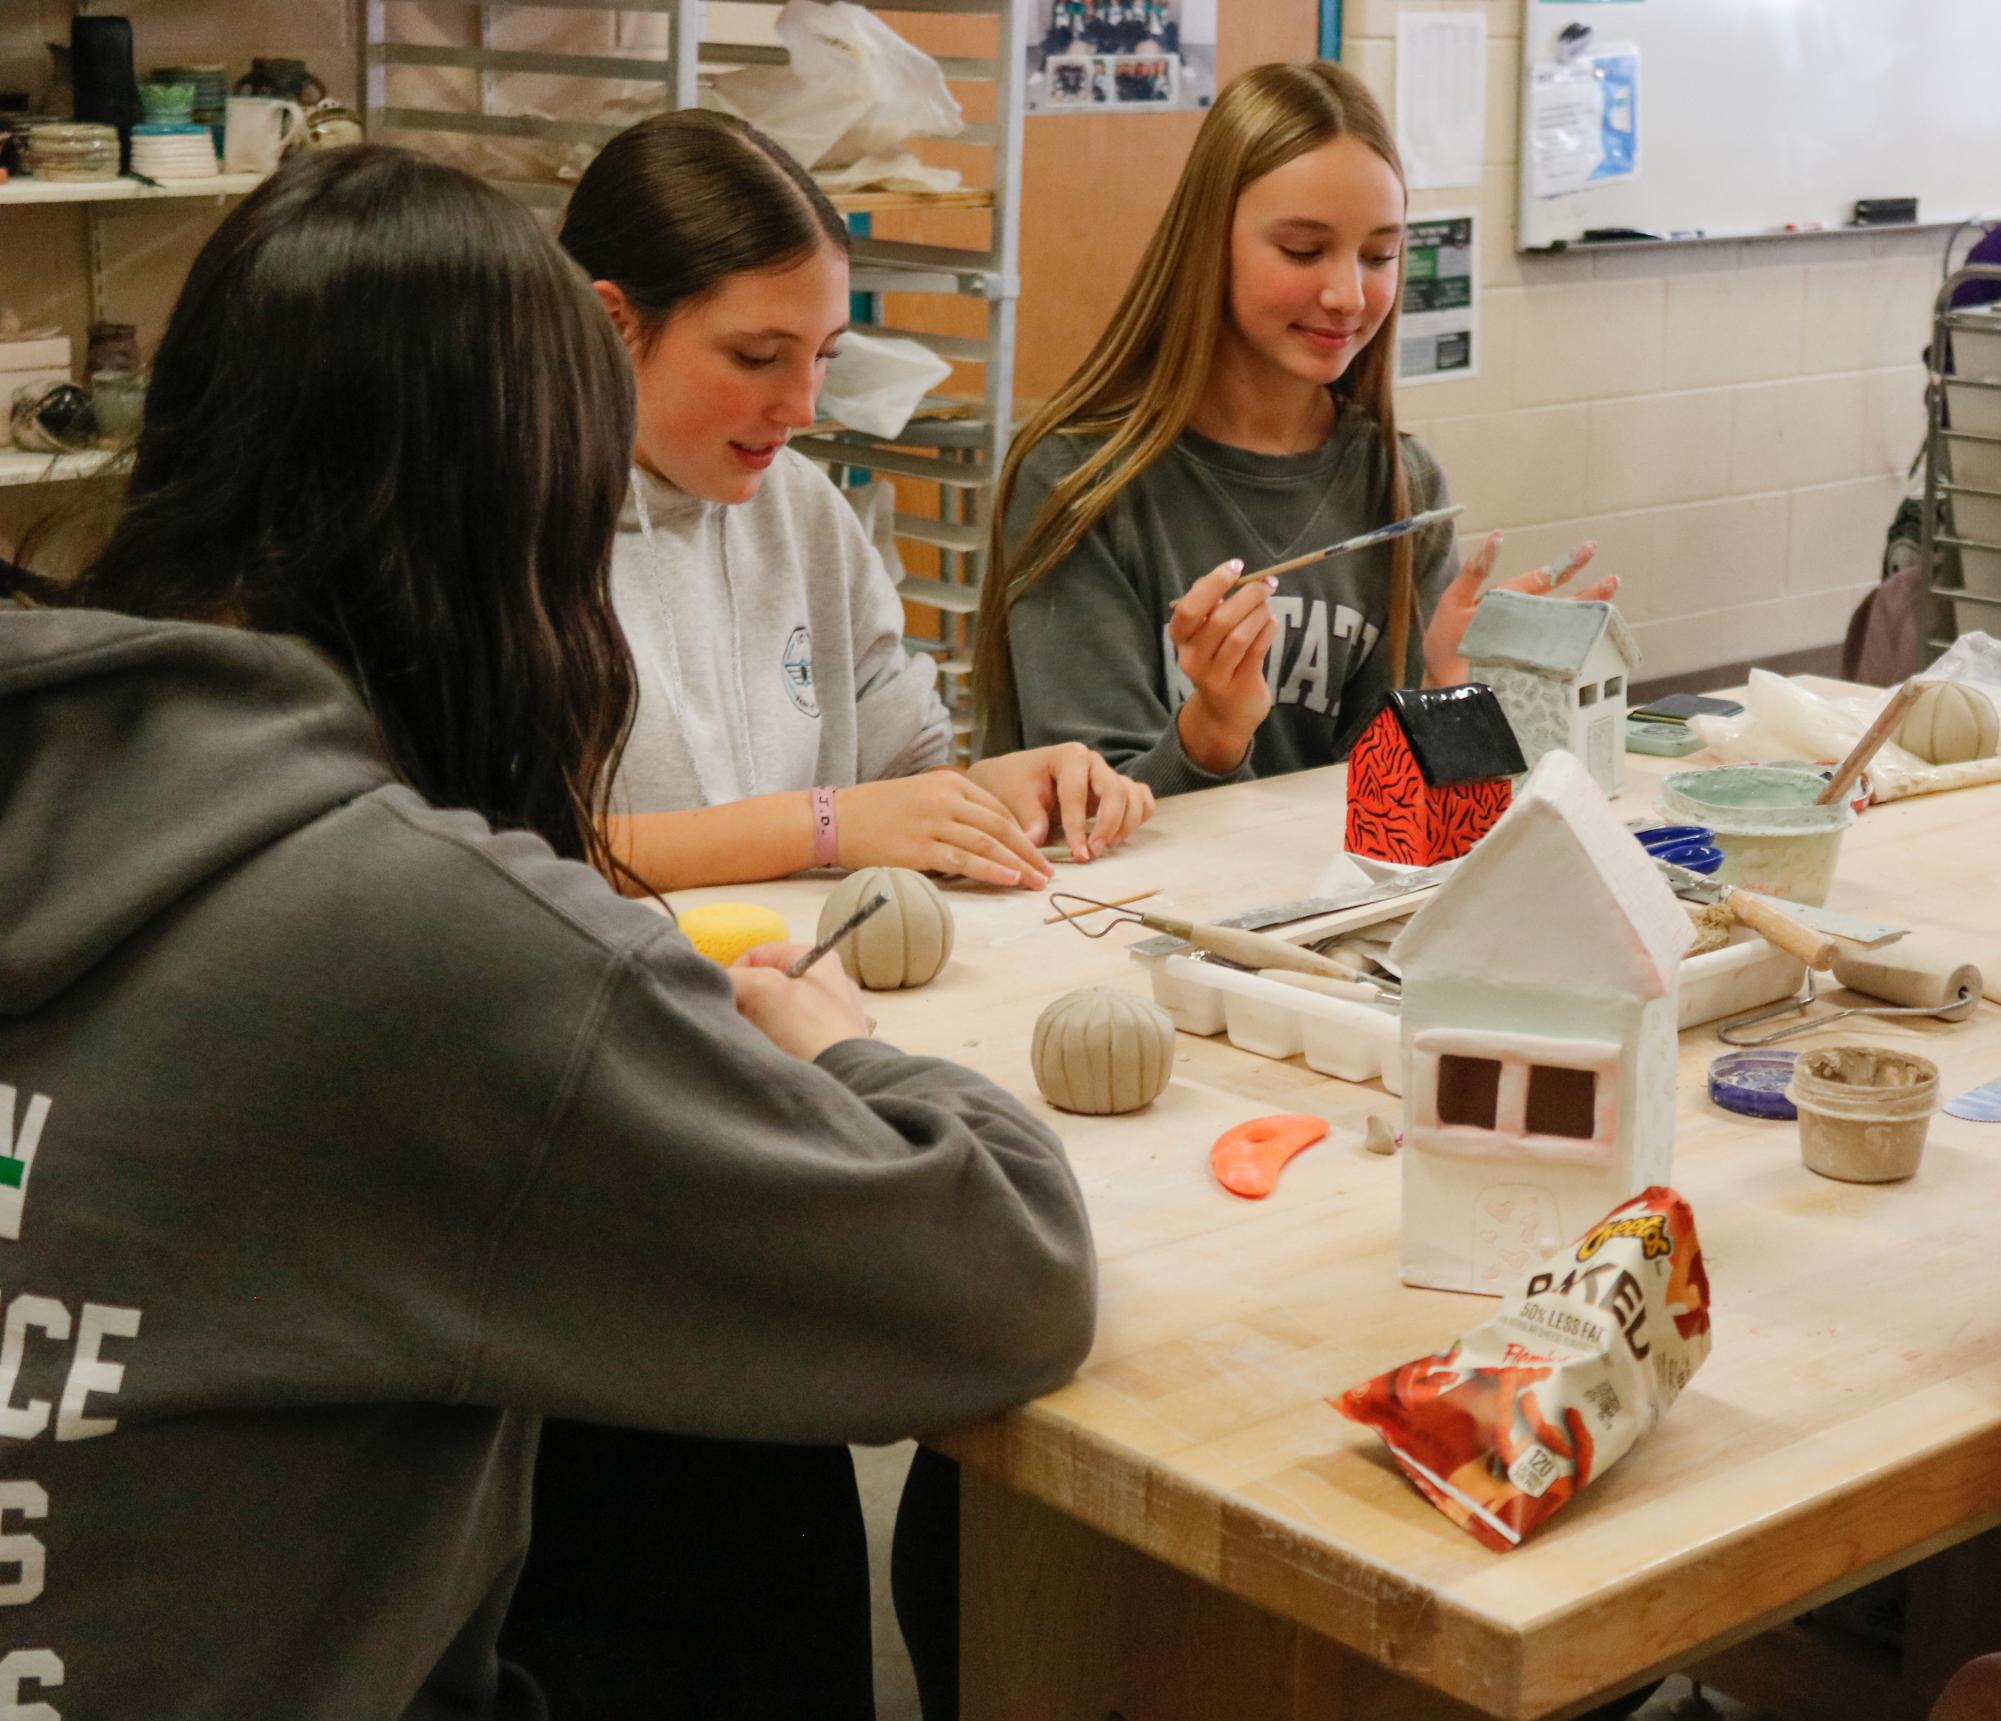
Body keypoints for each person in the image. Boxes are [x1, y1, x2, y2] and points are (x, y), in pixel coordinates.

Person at [0, 144, 1094, 1720]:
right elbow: (1006, 1270)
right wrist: (844, 1048)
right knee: (722, 1495)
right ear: (511, 519)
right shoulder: (410, 929)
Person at [973, 60, 1613, 794]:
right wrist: (1209, 735)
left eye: (1379, 255)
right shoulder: (1080, 483)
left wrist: (1455, 687)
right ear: (1208, 244)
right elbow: (1084, 816)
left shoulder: (1401, 484)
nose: (1346, 294)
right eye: (1303, 251)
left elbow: (1399, 814)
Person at [569, 109, 1151, 896]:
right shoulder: (508, 520)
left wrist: (993, 795)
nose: (802, 407)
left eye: (823, 357)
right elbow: (518, 856)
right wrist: (825, 824)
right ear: (614, 325)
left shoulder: (801, 511)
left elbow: (897, 768)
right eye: (758, 357)